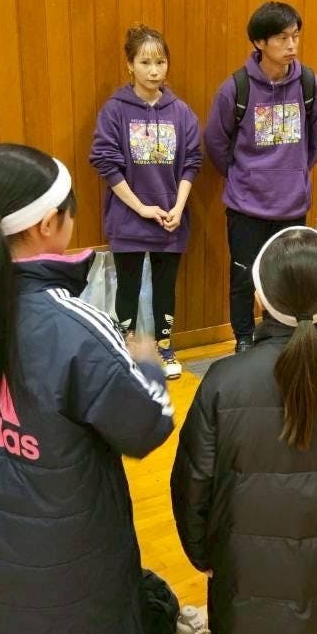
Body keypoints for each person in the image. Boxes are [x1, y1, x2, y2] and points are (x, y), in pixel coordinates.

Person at [0, 144, 175, 634]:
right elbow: (147, 425)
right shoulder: (73, 327)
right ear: (49, 223)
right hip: (75, 585)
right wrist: (146, 366)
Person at [172, 226, 317, 634]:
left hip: (241, 577)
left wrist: (201, 554)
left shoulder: (224, 380)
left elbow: (193, 482)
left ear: (259, 298)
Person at [204, 1, 317, 352]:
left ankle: (282, 337)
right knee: (244, 277)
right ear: (259, 42)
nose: (291, 45)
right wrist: (244, 176)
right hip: (246, 206)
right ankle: (243, 339)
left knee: (289, 276)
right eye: (282, 38)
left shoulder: (309, 85)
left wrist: (294, 173)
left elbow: (315, 144)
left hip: (292, 205)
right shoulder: (236, 88)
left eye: (295, 36)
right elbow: (215, 142)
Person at [90, 24, 201, 379]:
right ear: (130, 65)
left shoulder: (181, 112)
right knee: (129, 287)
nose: (154, 71)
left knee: (166, 289)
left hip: (170, 219)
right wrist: (140, 208)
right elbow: (106, 163)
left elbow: (192, 162)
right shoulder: (115, 110)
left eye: (160, 62)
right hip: (128, 219)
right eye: (145, 62)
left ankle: (165, 347)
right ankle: (126, 348)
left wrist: (178, 208)